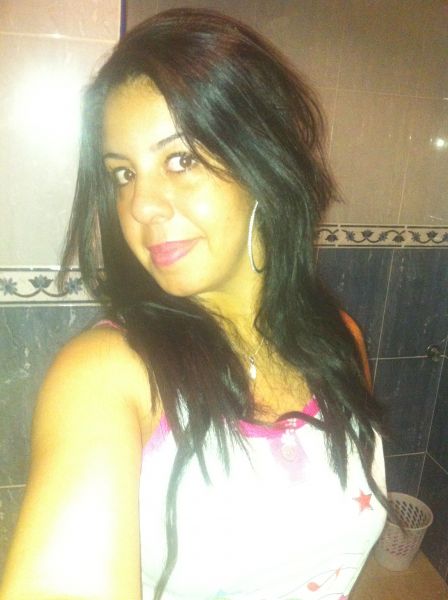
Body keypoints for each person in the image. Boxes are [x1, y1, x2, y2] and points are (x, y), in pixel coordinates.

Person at [1, 8, 392, 600]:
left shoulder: (341, 340)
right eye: (123, 174)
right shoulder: (107, 374)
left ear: (262, 164)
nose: (141, 205)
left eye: (180, 160)